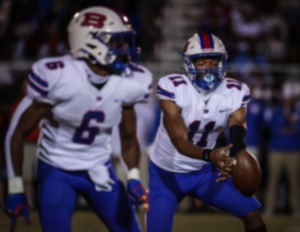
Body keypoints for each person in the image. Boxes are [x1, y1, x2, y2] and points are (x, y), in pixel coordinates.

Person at [4, 6, 152, 232]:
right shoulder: (60, 76)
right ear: (90, 42)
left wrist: (133, 176)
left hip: (99, 169)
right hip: (57, 169)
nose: (124, 48)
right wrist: (15, 187)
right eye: (115, 41)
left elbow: (129, 137)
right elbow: (18, 132)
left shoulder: (130, 82)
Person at [147, 32, 267, 232]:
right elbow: (179, 140)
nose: (209, 68)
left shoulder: (235, 91)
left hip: (203, 172)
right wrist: (210, 155)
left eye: (214, 62)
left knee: (252, 214)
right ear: (188, 64)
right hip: (166, 174)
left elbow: (237, 123)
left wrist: (235, 154)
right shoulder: (173, 87)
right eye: (202, 63)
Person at [263, 80, 300, 216]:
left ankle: (296, 208)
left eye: (291, 98)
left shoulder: (298, 111)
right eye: (287, 97)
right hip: (276, 150)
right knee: (273, 180)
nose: (289, 100)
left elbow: (297, 128)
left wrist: (290, 118)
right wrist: (286, 127)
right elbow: (271, 127)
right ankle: (270, 207)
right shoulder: (275, 110)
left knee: (294, 181)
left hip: (294, 150)